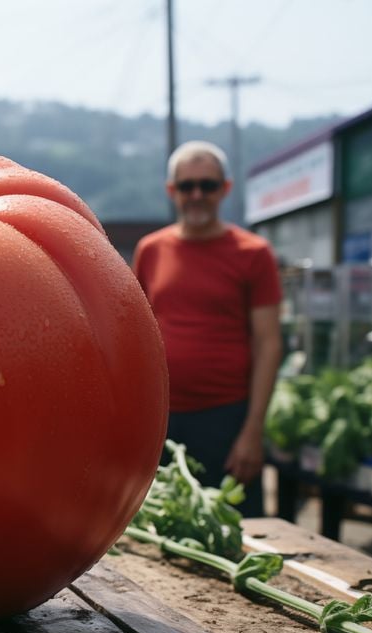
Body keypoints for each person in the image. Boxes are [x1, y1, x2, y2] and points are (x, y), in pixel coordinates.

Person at [133, 141, 283, 517]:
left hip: (227, 420)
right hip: (163, 419)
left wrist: (252, 433)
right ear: (172, 192)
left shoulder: (254, 253)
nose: (197, 195)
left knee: (234, 531)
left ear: (225, 189)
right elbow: (135, 335)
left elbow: (268, 344)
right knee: (163, 536)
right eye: (186, 186)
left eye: (207, 185)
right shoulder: (150, 250)